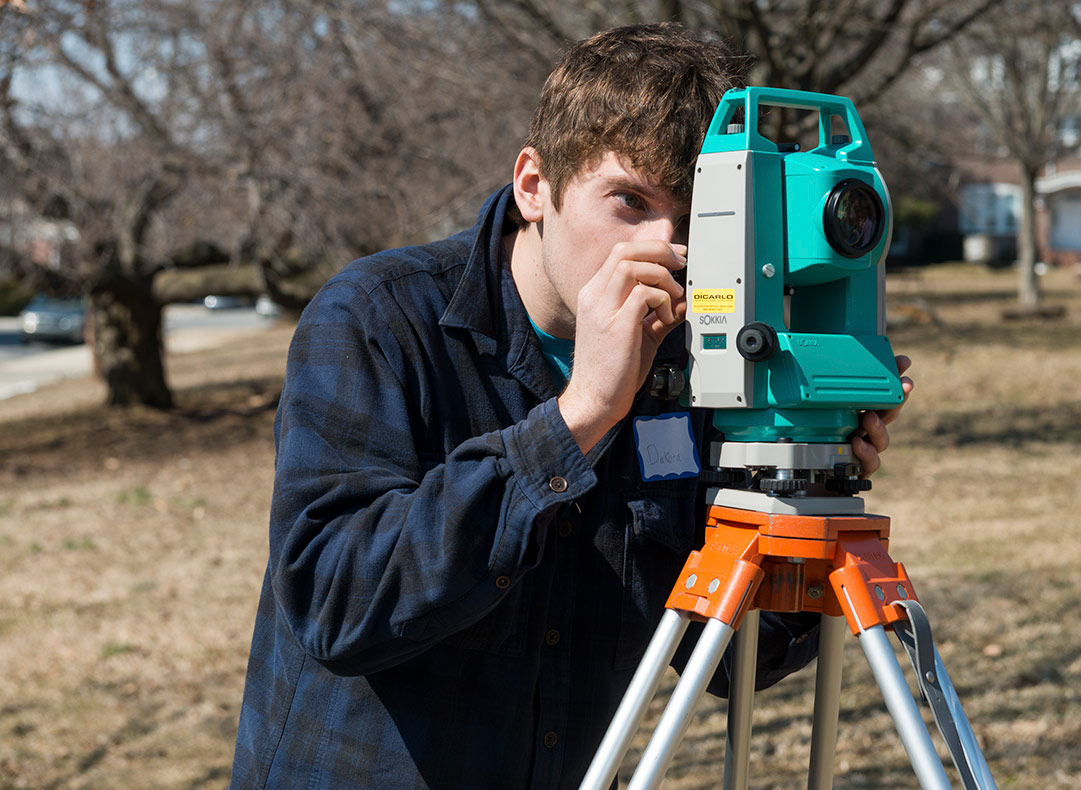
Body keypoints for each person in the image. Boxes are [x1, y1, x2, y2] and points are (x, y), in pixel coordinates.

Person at [229, 23, 913, 789]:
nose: (665, 247)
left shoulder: (700, 362)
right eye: (630, 201)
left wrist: (802, 491)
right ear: (534, 186)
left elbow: (731, 658)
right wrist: (576, 418)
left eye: (695, 221)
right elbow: (335, 603)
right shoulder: (377, 318)